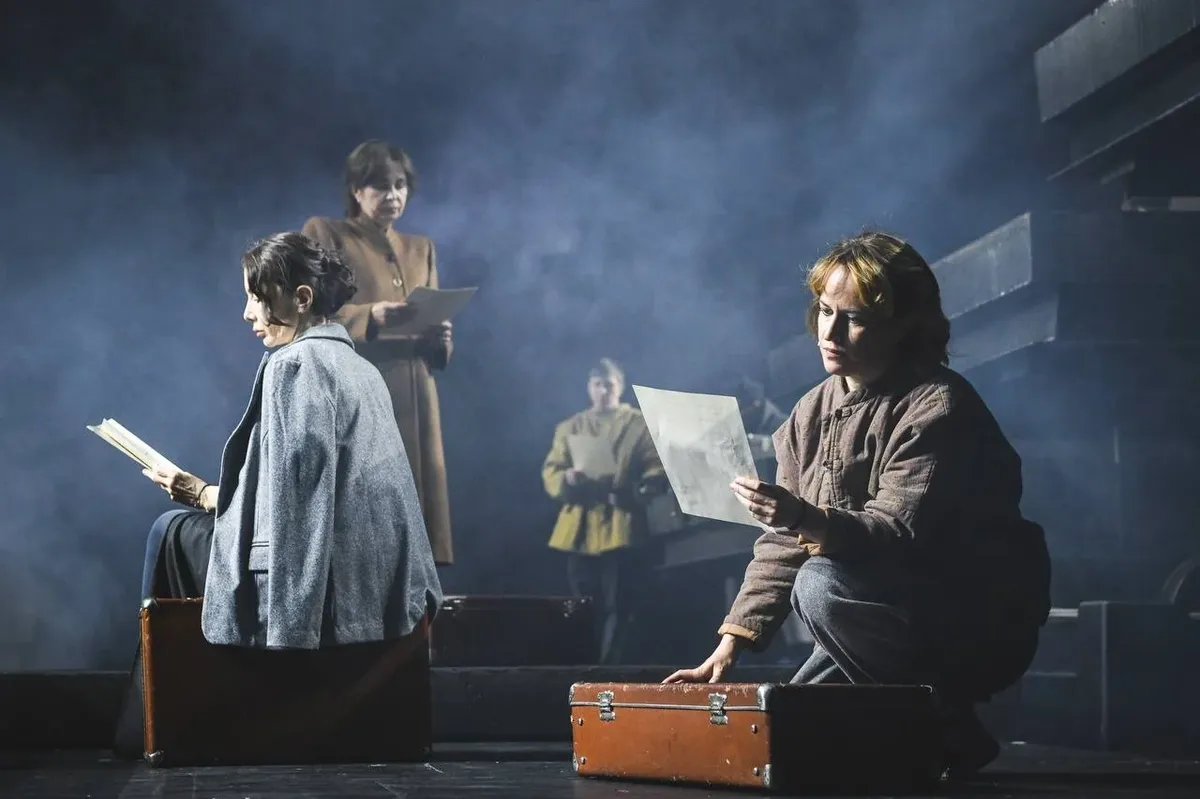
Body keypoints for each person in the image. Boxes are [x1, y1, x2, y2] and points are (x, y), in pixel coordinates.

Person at [664, 231, 1051, 779]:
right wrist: (729, 646)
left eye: (856, 319)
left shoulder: (937, 407)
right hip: (873, 620)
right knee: (786, 728)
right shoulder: (807, 414)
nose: (830, 333)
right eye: (825, 311)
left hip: (969, 621)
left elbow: (897, 534)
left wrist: (801, 516)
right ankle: (923, 735)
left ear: (904, 326)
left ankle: (950, 726)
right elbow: (782, 545)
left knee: (818, 584)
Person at [140, 231, 442, 648]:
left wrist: (202, 494)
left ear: (301, 298)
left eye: (256, 297)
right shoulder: (364, 371)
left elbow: (295, 505)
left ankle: (171, 680)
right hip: (373, 585)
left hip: (325, 586)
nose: (247, 313)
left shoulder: (295, 365)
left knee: (168, 529)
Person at [302, 140, 455, 566]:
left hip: (417, 395)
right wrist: (370, 316)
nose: (393, 195)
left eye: (400, 185)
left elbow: (437, 335)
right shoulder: (327, 233)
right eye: (381, 186)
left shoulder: (421, 248)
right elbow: (307, 313)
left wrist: (441, 336)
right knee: (365, 525)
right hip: (362, 390)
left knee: (417, 530)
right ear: (356, 189)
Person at [542, 359, 667, 664]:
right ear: (589, 387)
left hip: (621, 524)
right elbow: (552, 470)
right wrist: (567, 478)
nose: (603, 391)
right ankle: (584, 663)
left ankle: (610, 666)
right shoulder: (570, 427)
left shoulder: (638, 424)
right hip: (580, 527)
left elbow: (656, 465)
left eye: (609, 384)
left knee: (619, 603)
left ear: (619, 387)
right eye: (597, 384)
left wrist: (643, 487)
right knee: (583, 601)